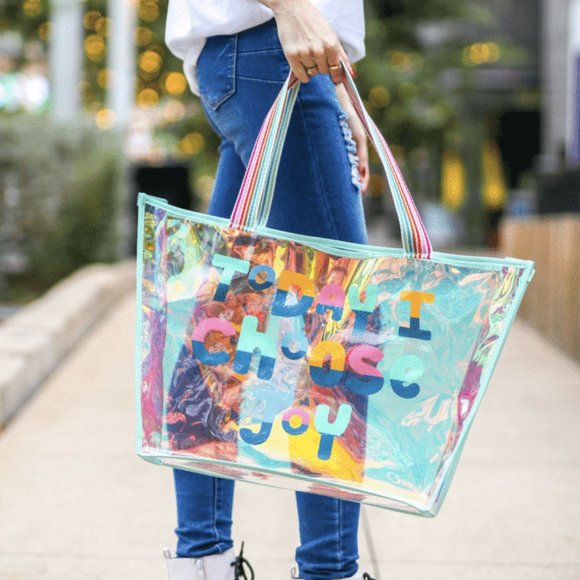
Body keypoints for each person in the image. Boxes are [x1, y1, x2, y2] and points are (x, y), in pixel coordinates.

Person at [164, 1, 374, 579]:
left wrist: (340, 88)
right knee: (335, 328)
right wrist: (291, 7)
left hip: (256, 59)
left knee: (220, 327)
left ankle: (202, 561)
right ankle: (329, 570)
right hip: (274, 49)